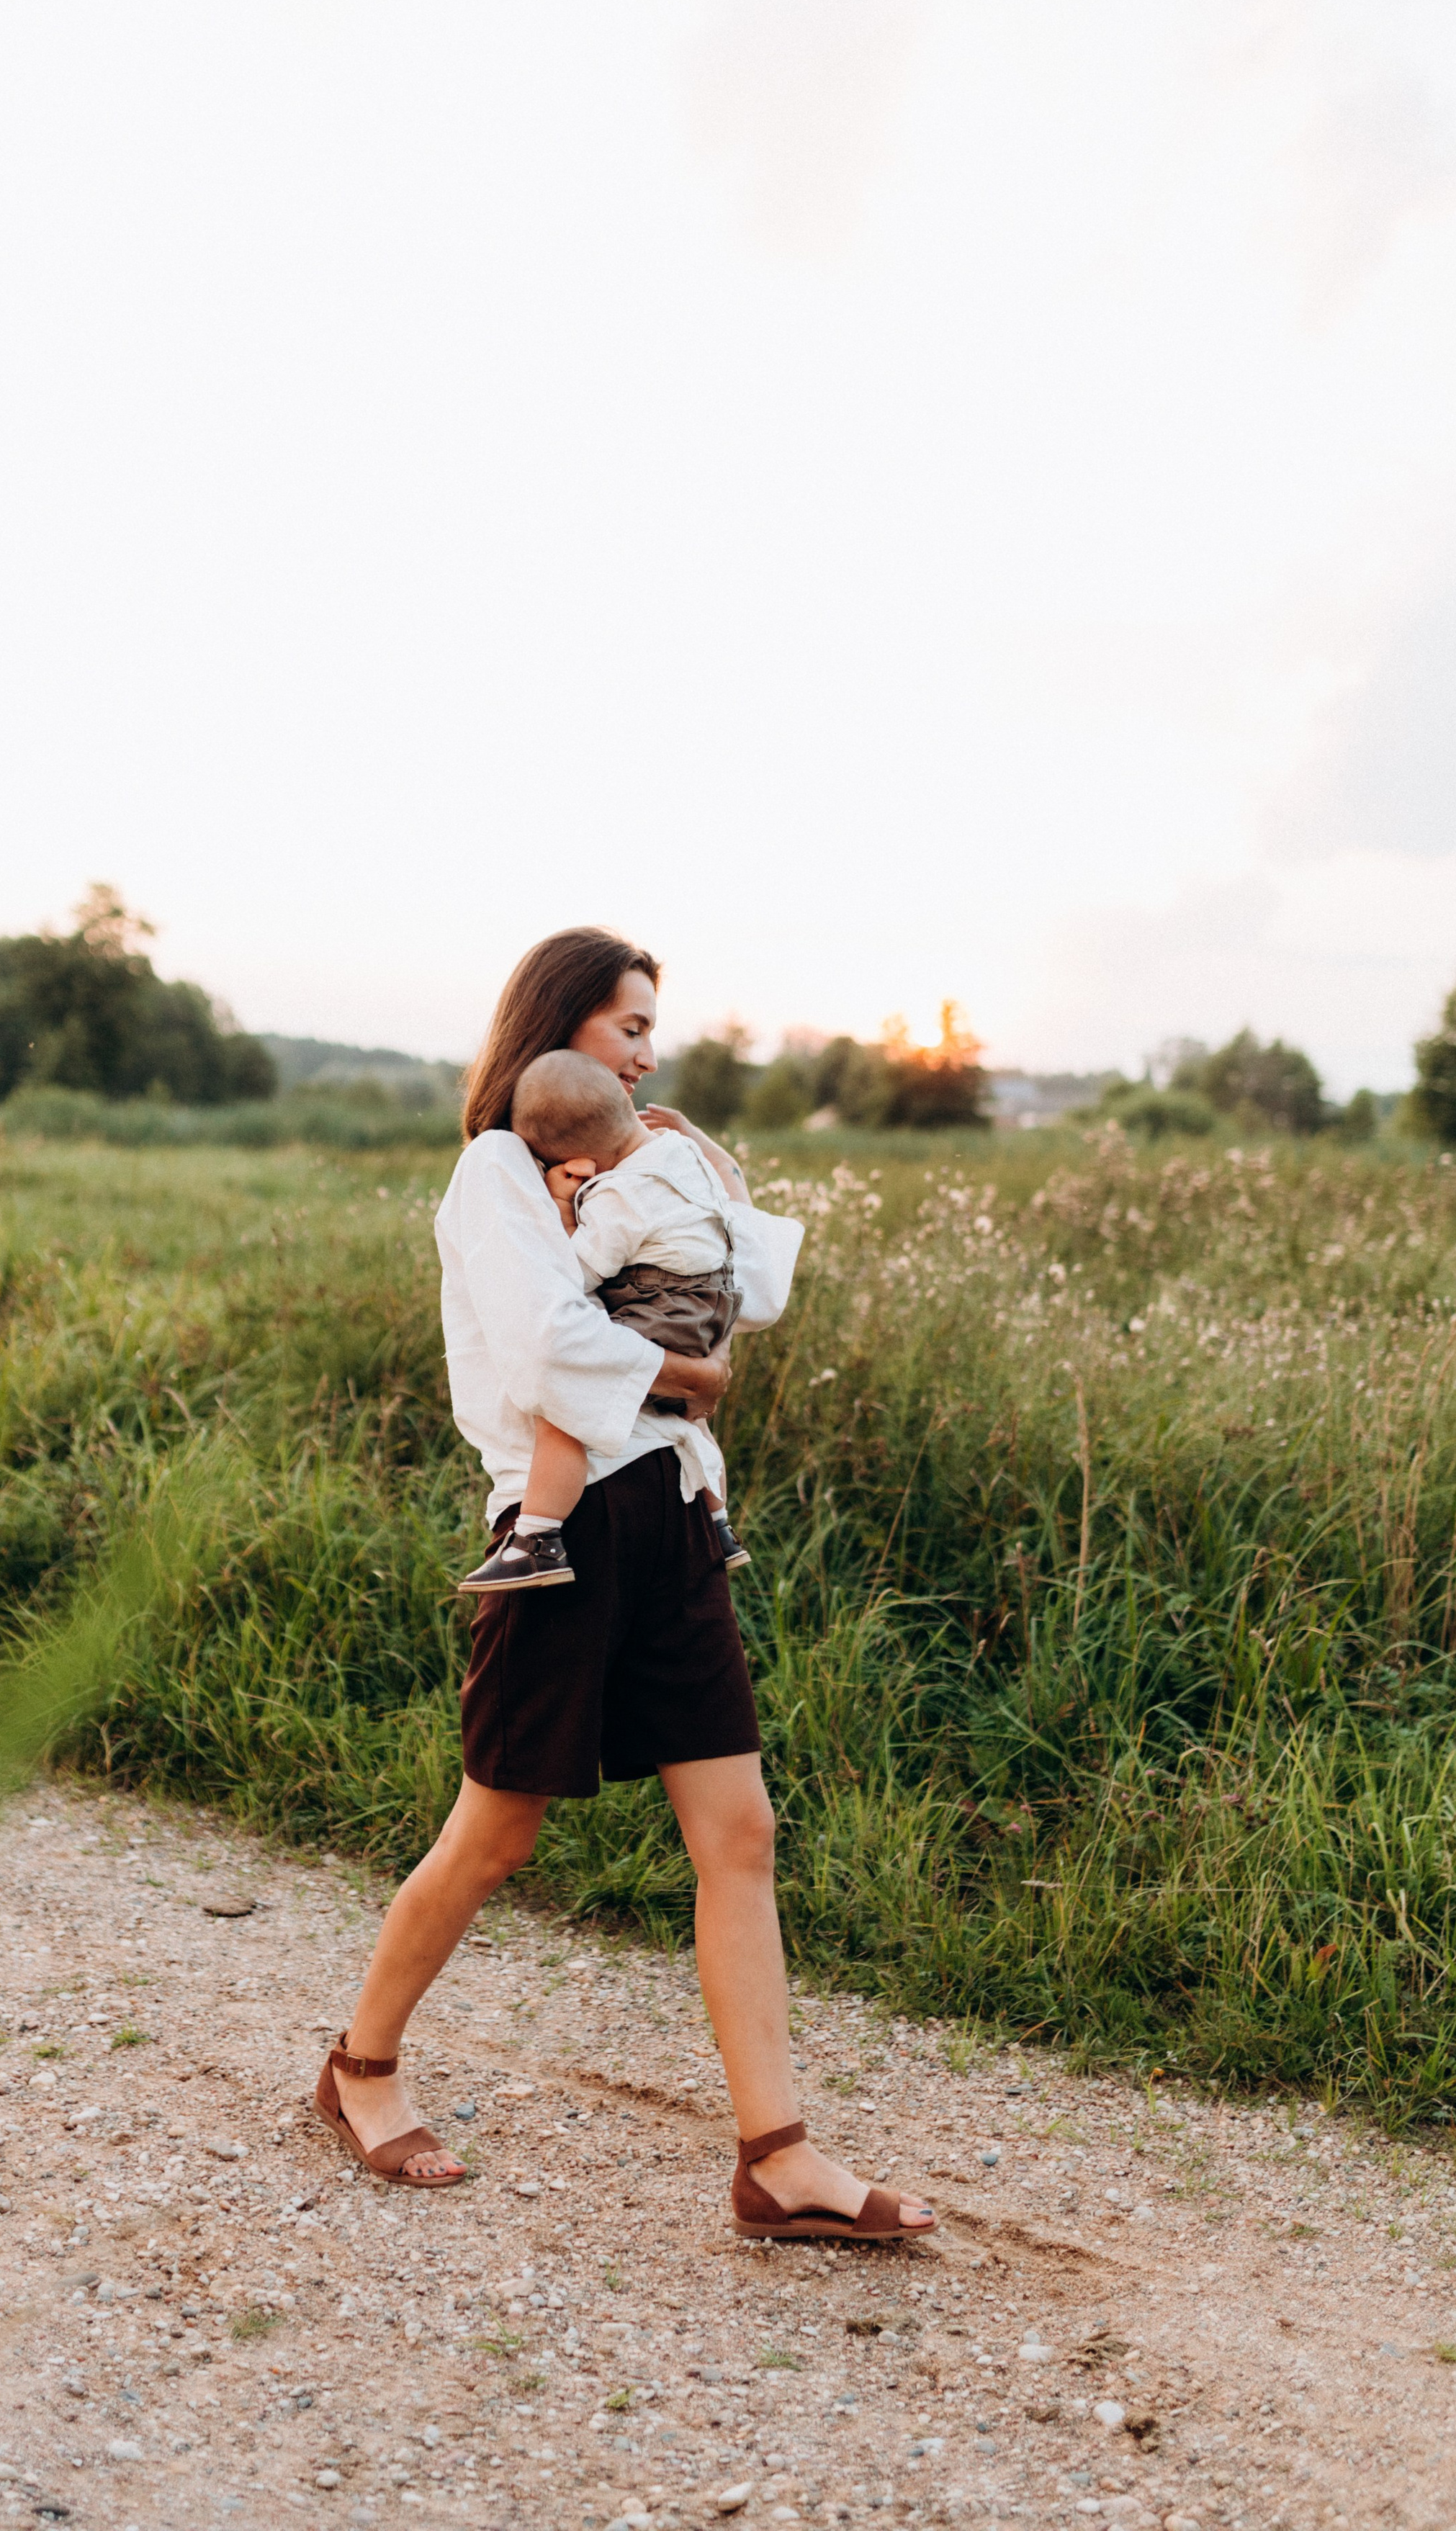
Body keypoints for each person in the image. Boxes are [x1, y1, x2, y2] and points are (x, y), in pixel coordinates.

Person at [312, 926, 935, 2247]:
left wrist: (705, 1163)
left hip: (679, 1516)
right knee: (499, 1835)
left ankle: (777, 2158)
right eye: (628, 1028)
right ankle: (360, 2068)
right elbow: (547, 1346)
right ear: (555, 1030)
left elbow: (749, 1289)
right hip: (570, 1521)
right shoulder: (496, 1172)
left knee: (740, 1833)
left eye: (654, 1030)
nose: (649, 1052)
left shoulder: (640, 1165)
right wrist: (688, 1378)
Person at [455, 1047, 748, 1593]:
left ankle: (537, 1539)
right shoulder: (679, 1152)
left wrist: (565, 1209)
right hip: (714, 1302)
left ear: (585, 1159)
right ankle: (717, 1523)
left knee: (569, 1402)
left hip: (668, 1302)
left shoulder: (622, 1192)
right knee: (689, 1414)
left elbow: (577, 1271)